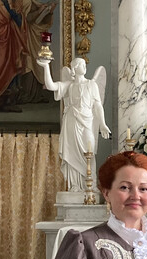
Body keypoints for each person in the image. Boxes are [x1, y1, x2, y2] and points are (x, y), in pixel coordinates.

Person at [37, 57, 110, 192]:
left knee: (90, 151)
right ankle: (75, 185)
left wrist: (102, 124)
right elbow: (51, 86)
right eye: (81, 65)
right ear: (75, 68)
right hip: (71, 121)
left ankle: (92, 184)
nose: (85, 66)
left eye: (84, 64)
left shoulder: (92, 85)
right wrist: (46, 66)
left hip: (87, 122)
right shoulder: (69, 85)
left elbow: (98, 106)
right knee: (72, 151)